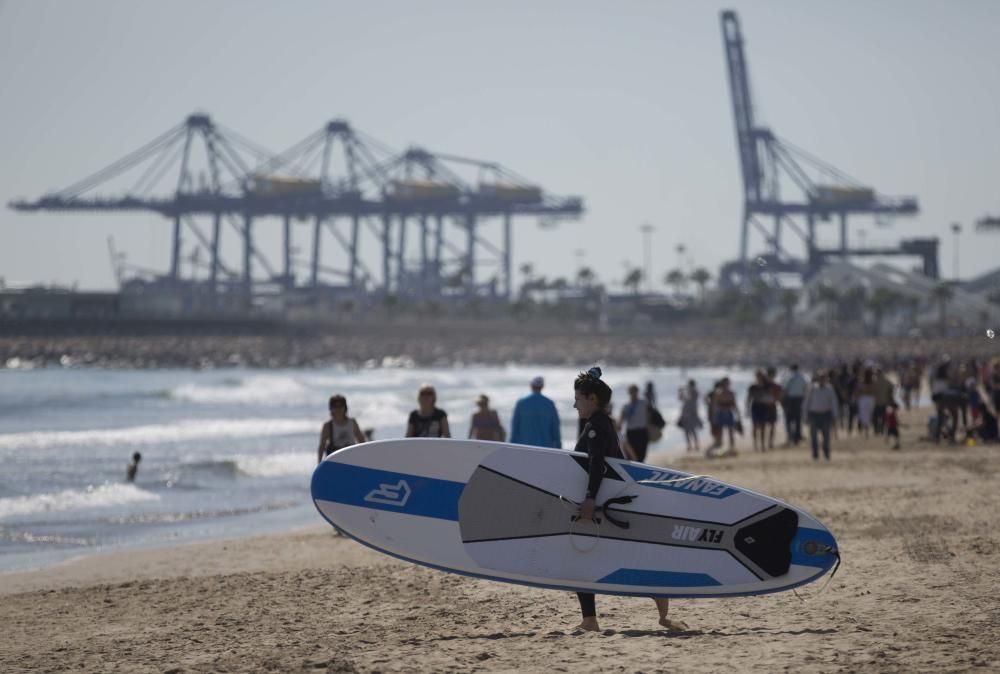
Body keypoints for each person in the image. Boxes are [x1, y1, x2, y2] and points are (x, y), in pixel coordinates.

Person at [571, 367, 687, 633]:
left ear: (591, 398)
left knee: (585, 557)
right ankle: (656, 609)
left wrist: (590, 499)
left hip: (602, 504)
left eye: (577, 397)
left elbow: (598, 464)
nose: (574, 403)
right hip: (613, 501)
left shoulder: (596, 426)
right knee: (621, 554)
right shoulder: (604, 422)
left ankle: (591, 620)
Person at [509, 376, 561, 448]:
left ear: (531, 385)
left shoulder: (521, 403)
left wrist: (512, 445)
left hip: (524, 447)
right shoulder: (549, 403)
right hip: (546, 448)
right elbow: (555, 427)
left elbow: (515, 427)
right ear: (542, 386)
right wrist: (559, 446)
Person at [318, 394, 367, 463]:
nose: (338, 409)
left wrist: (365, 459)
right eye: (335, 406)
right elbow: (322, 446)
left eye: (340, 406)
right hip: (336, 460)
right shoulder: (328, 426)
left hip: (352, 457)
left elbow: (362, 442)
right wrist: (319, 464)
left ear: (345, 408)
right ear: (331, 408)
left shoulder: (352, 422)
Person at [804, 370, 838, 461]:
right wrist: (805, 416)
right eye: (820, 378)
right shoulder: (812, 388)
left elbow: (833, 403)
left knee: (826, 436)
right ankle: (815, 454)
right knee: (813, 436)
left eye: (824, 378)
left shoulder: (829, 389)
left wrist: (835, 416)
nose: (822, 380)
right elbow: (807, 402)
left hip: (826, 415)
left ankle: (826, 453)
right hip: (814, 414)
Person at [618, 384, 651, 462]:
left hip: (642, 431)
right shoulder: (626, 406)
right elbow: (621, 421)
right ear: (629, 393)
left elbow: (650, 416)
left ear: (637, 392)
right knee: (632, 456)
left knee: (642, 455)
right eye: (631, 392)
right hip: (631, 433)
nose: (633, 394)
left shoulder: (644, 402)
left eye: (634, 391)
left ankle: (641, 470)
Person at [746, 370, 773, 452]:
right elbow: (749, 398)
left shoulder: (766, 386)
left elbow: (770, 397)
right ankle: (755, 445)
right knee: (754, 426)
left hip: (764, 407)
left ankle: (762, 445)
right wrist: (747, 408)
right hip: (755, 406)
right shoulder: (752, 386)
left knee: (763, 427)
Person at [782, 364, 807, 446]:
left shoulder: (789, 376)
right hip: (799, 399)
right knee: (798, 419)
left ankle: (790, 436)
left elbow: (785, 388)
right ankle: (797, 436)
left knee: (789, 419)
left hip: (790, 399)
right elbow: (805, 387)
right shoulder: (802, 376)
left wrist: (783, 400)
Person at [713, 377, 739, 455]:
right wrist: (714, 417)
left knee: (731, 432)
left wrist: (738, 416)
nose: (726, 385)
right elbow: (715, 406)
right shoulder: (718, 393)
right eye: (725, 383)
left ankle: (732, 448)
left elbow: (735, 405)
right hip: (721, 413)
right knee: (720, 432)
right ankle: (720, 449)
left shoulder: (731, 393)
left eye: (727, 383)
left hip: (729, 413)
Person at [678, 380, 703, 453]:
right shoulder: (688, 394)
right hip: (685, 415)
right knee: (686, 432)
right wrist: (681, 391)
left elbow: (695, 393)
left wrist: (685, 388)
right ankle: (689, 446)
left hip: (692, 415)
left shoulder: (694, 393)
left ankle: (696, 445)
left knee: (693, 431)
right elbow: (680, 398)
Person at [854, 367, 876, 438]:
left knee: (864, 415)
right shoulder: (873, 382)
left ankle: (865, 429)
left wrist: (856, 398)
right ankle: (867, 430)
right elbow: (874, 391)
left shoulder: (861, 381)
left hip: (863, 399)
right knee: (868, 415)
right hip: (871, 399)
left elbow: (857, 391)